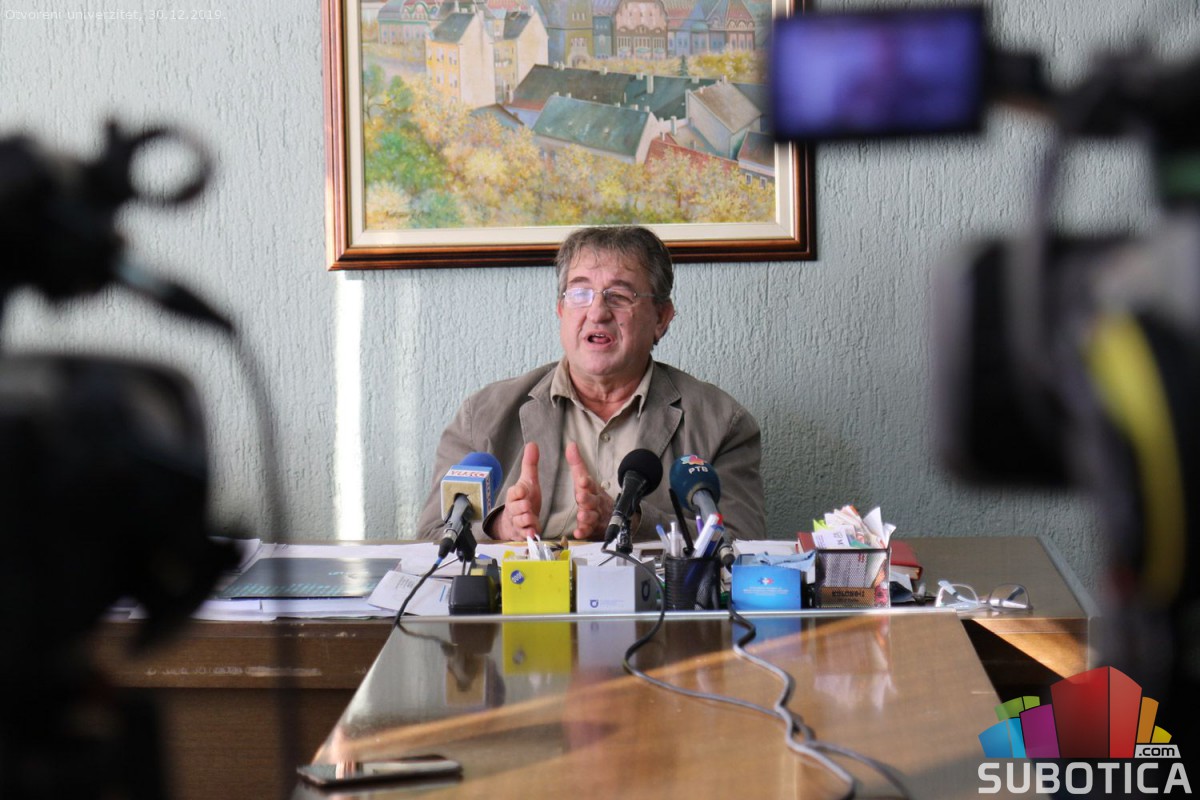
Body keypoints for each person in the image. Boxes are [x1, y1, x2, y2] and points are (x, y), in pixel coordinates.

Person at [415, 225, 764, 543]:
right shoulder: (482, 416)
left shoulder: (721, 423)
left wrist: (633, 520)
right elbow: (431, 537)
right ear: (561, 310)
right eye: (580, 293)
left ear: (661, 317)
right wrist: (498, 528)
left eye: (620, 295)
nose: (597, 312)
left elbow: (744, 542)